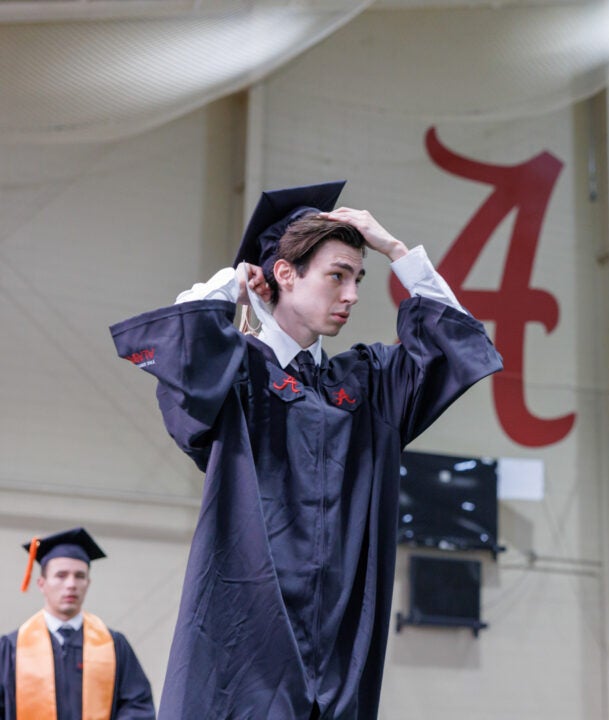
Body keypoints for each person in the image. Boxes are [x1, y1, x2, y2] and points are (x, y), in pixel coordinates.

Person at [109, 181, 503, 719]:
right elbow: (182, 345)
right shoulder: (238, 374)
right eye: (337, 275)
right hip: (245, 642)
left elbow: (454, 343)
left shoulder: (366, 385)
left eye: (359, 278)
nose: (353, 295)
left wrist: (399, 253)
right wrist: (229, 284)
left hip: (341, 644)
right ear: (286, 275)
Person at [0, 527, 156, 720]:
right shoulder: (11, 648)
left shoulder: (114, 645)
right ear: (41, 583)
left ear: (88, 583)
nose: (71, 584)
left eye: (79, 576)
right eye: (61, 575)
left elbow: (137, 706)